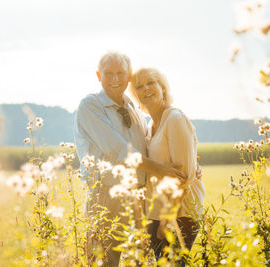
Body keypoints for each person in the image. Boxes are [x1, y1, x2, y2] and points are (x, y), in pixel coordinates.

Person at [74, 52, 186, 267]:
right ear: (99, 75)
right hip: (106, 197)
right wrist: (162, 170)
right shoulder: (90, 105)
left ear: (129, 76)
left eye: (120, 73)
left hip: (139, 198)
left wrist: (188, 163)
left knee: (138, 261)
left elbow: (149, 146)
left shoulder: (134, 108)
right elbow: (118, 150)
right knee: (104, 260)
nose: (115, 79)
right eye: (108, 74)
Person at [129, 67, 206, 266]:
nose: (145, 89)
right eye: (139, 86)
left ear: (162, 87)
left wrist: (165, 221)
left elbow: (185, 175)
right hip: (157, 211)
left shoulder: (175, 118)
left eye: (150, 83)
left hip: (181, 212)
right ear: (135, 94)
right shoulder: (149, 126)